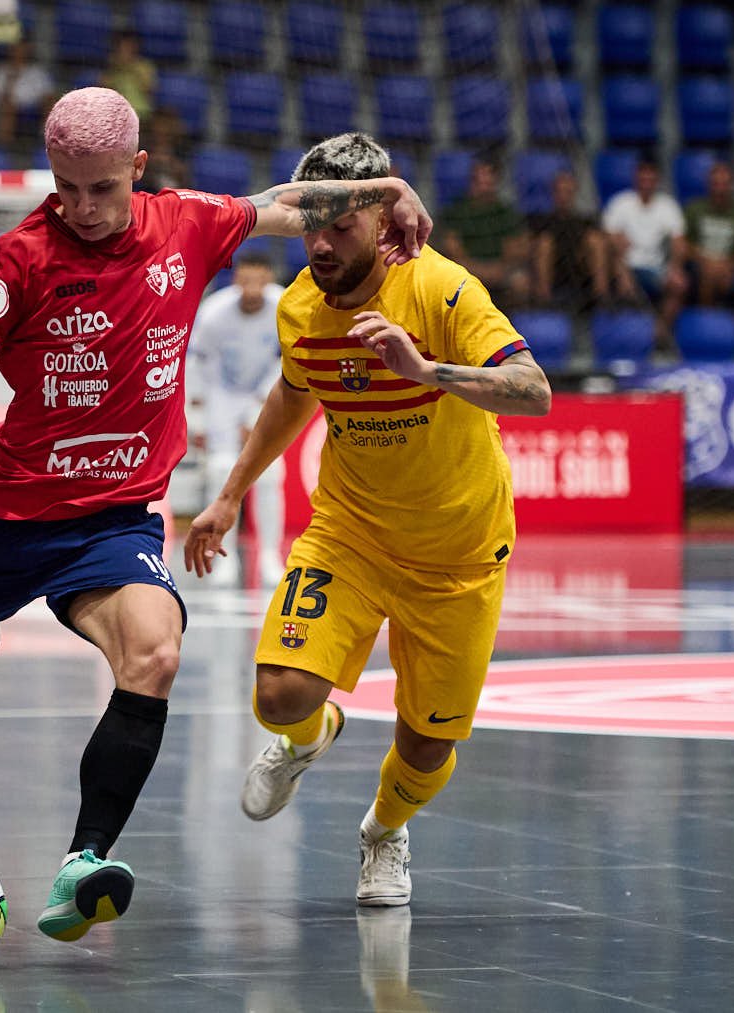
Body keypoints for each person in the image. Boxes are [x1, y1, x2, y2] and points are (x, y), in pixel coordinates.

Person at [0, 89, 432, 942]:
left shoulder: (189, 223)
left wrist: (387, 189)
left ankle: (84, 860)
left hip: (116, 517)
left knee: (157, 649)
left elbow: (289, 204)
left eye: (101, 188)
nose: (82, 208)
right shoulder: (14, 260)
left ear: (137, 168)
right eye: (65, 188)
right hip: (6, 511)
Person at [183, 132, 551, 908]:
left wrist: (427, 372)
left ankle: (384, 831)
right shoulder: (300, 307)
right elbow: (293, 393)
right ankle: (311, 736)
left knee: (428, 743)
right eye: (309, 224)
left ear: (382, 225)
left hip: (459, 551)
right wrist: (230, 496)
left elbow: (532, 388)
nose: (317, 242)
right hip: (350, 531)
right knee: (279, 694)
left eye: (338, 227)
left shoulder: (443, 291)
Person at [189, 249, 286, 586]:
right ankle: (220, 554)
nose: (252, 287)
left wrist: (258, 411)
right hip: (221, 399)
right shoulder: (214, 312)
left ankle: (271, 556)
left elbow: (287, 362)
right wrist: (198, 418)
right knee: (220, 474)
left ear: (269, 278)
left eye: (259, 279)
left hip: (265, 396)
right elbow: (197, 364)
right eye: (245, 279)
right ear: (237, 279)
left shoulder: (284, 306)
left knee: (271, 476)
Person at [602, 157, 687, 348]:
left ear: (657, 181)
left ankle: (658, 335)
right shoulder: (621, 203)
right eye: (643, 179)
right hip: (625, 265)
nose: (646, 184)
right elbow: (609, 236)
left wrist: (675, 267)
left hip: (655, 268)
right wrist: (619, 252)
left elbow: (679, 242)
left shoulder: (668, 206)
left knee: (679, 284)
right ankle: (619, 334)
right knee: (616, 264)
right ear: (636, 179)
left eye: (650, 179)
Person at [438, 159, 530, 306]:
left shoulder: (505, 212)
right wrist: (479, 271)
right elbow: (454, 252)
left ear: (496, 181)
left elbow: (513, 253)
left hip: (500, 271)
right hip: (466, 270)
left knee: (520, 282)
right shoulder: (456, 211)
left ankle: (510, 324)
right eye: (477, 178)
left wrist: (496, 271)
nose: (481, 184)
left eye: (487, 178)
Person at [531, 169, 612, 313]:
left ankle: (602, 299)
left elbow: (602, 242)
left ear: (574, 193)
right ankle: (544, 303)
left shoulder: (585, 221)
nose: (564, 196)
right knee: (544, 244)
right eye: (560, 191)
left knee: (596, 241)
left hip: (581, 268)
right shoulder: (541, 220)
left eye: (568, 191)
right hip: (553, 270)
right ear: (553, 193)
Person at [681, 160, 734, 310]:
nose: (720, 189)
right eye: (716, 184)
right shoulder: (694, 209)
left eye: (725, 184)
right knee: (708, 273)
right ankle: (706, 320)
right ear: (708, 185)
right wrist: (707, 261)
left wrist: (729, 265)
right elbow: (684, 245)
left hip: (732, 266)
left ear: (732, 185)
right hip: (699, 265)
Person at [0, 37, 56, 153]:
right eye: (17, 49)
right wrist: (11, 80)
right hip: (11, 108)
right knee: (8, 107)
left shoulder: (37, 71)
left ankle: (47, 143)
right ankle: (6, 149)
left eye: (23, 49)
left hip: (34, 109)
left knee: (49, 104)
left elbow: (48, 95)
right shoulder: (2, 71)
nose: (20, 52)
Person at [98, 30, 156, 121]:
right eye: (124, 45)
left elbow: (149, 89)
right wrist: (115, 69)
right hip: (116, 113)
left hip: (141, 113)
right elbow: (103, 89)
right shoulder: (111, 66)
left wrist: (132, 68)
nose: (128, 48)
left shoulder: (144, 66)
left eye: (131, 45)